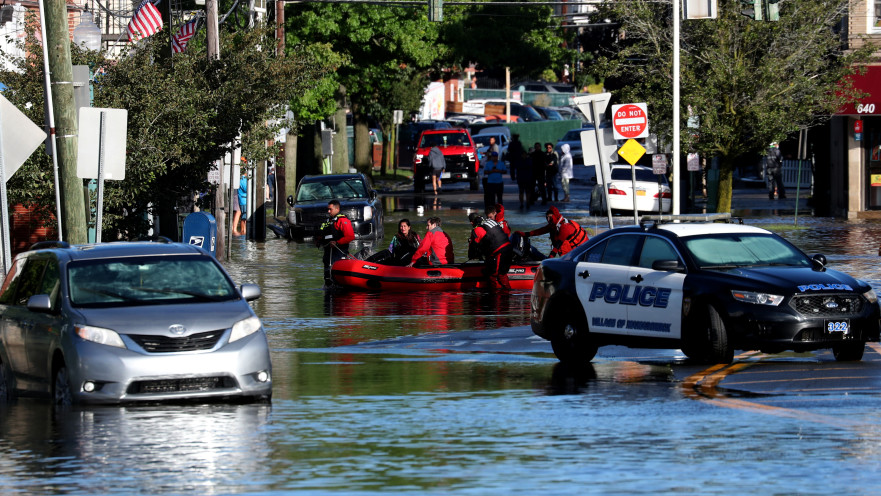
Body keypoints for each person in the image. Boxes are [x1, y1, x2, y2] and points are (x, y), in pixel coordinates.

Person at [517, 206, 588, 258]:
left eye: (550, 218)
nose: (548, 220)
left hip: (581, 253)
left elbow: (558, 244)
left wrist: (550, 257)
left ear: (555, 216)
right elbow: (540, 231)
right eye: (547, 217)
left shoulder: (565, 227)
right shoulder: (554, 224)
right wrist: (525, 234)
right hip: (573, 253)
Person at [468, 211, 513, 290]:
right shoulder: (490, 221)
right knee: (502, 272)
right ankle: (505, 292)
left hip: (499, 251)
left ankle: (494, 294)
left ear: (472, 222)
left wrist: (472, 256)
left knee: (493, 274)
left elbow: (473, 249)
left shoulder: (477, 230)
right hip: (508, 248)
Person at [318, 199, 355, 285]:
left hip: (339, 251)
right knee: (327, 270)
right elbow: (323, 233)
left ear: (337, 209)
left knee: (335, 269)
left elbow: (350, 236)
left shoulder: (342, 221)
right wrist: (319, 240)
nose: (328, 211)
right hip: (328, 252)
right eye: (328, 209)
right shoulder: (328, 221)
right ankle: (328, 283)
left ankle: (337, 284)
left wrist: (337, 243)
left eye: (330, 209)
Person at [507, 134, 532, 208]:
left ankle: (526, 202)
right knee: (524, 191)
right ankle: (525, 203)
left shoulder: (521, 161)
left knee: (524, 191)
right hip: (523, 177)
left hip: (523, 177)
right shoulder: (525, 160)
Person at [233, 168, 248, 236]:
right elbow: (246, 188)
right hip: (244, 200)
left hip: (244, 199)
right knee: (244, 217)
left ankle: (244, 230)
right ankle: (243, 231)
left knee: (244, 216)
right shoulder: (243, 179)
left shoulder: (243, 179)